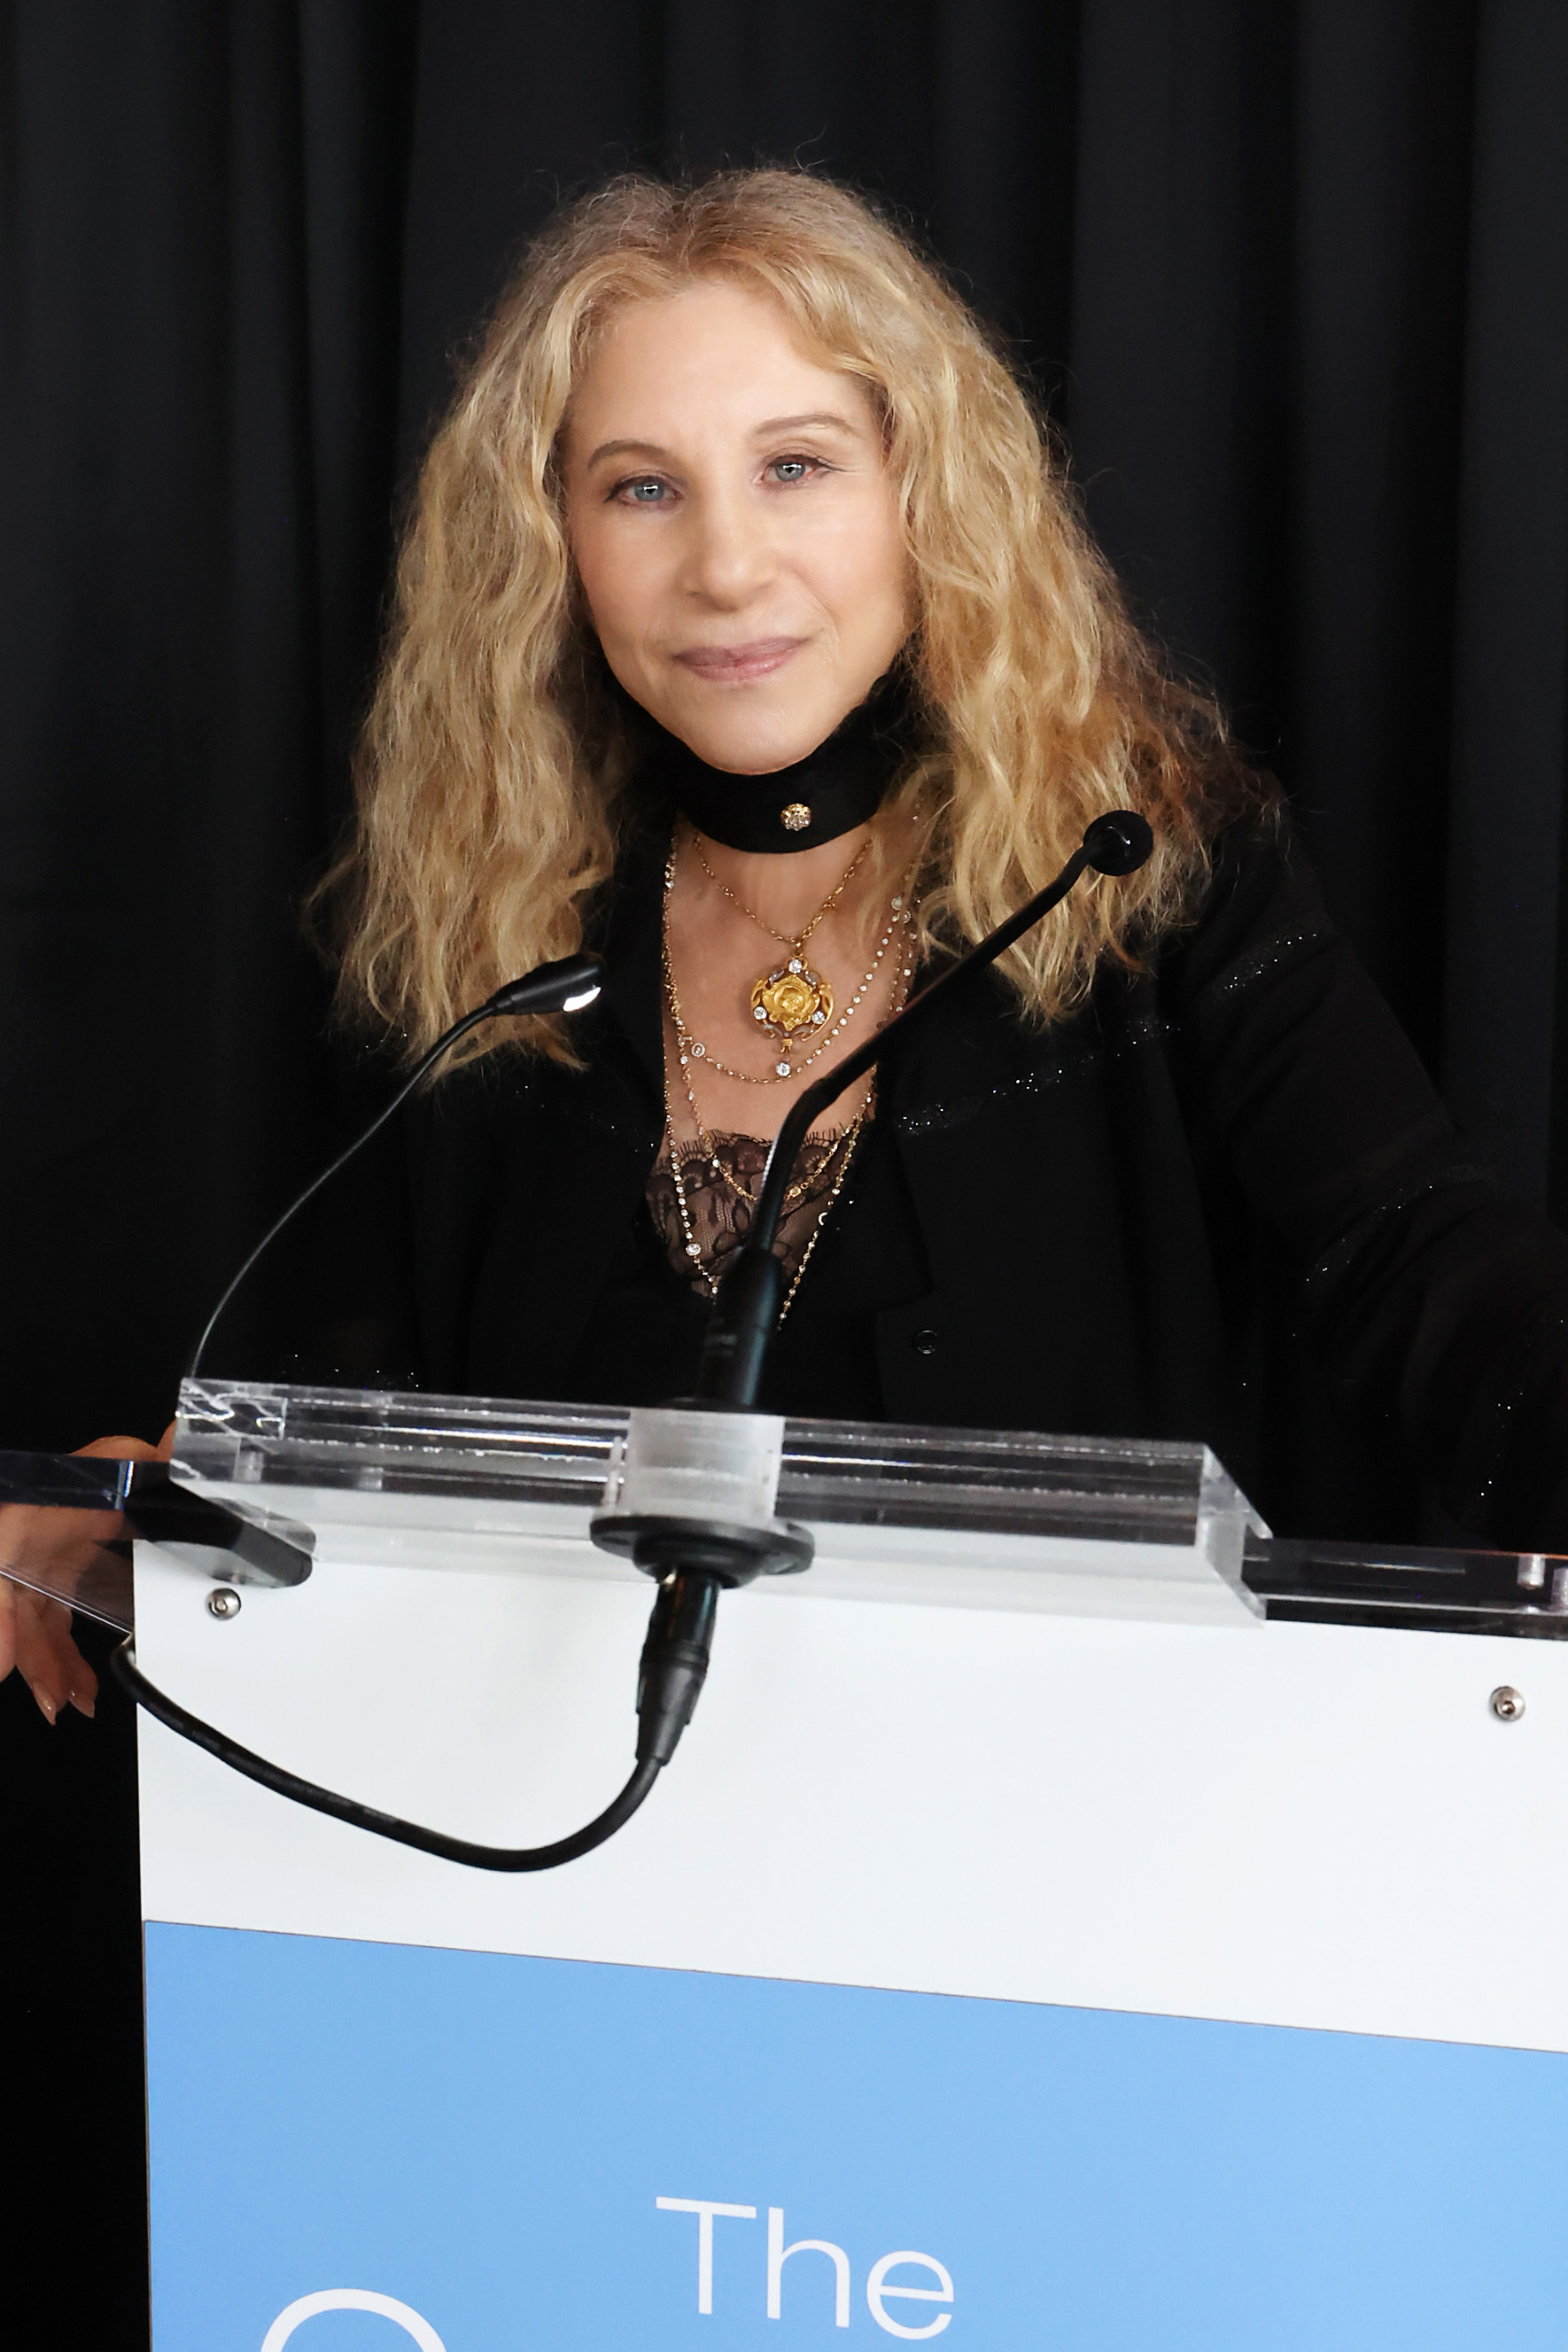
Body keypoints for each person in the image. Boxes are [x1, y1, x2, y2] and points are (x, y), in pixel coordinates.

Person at [9, 165, 1568, 1719]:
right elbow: (349, 1440)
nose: (727, 568)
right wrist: (169, 1510)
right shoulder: (473, 941)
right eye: (640, 487)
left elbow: (1413, 1257)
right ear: (548, 540)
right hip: (561, 1872)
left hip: (1086, 1848)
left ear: (922, 490)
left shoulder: (1156, 881)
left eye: (796, 466)